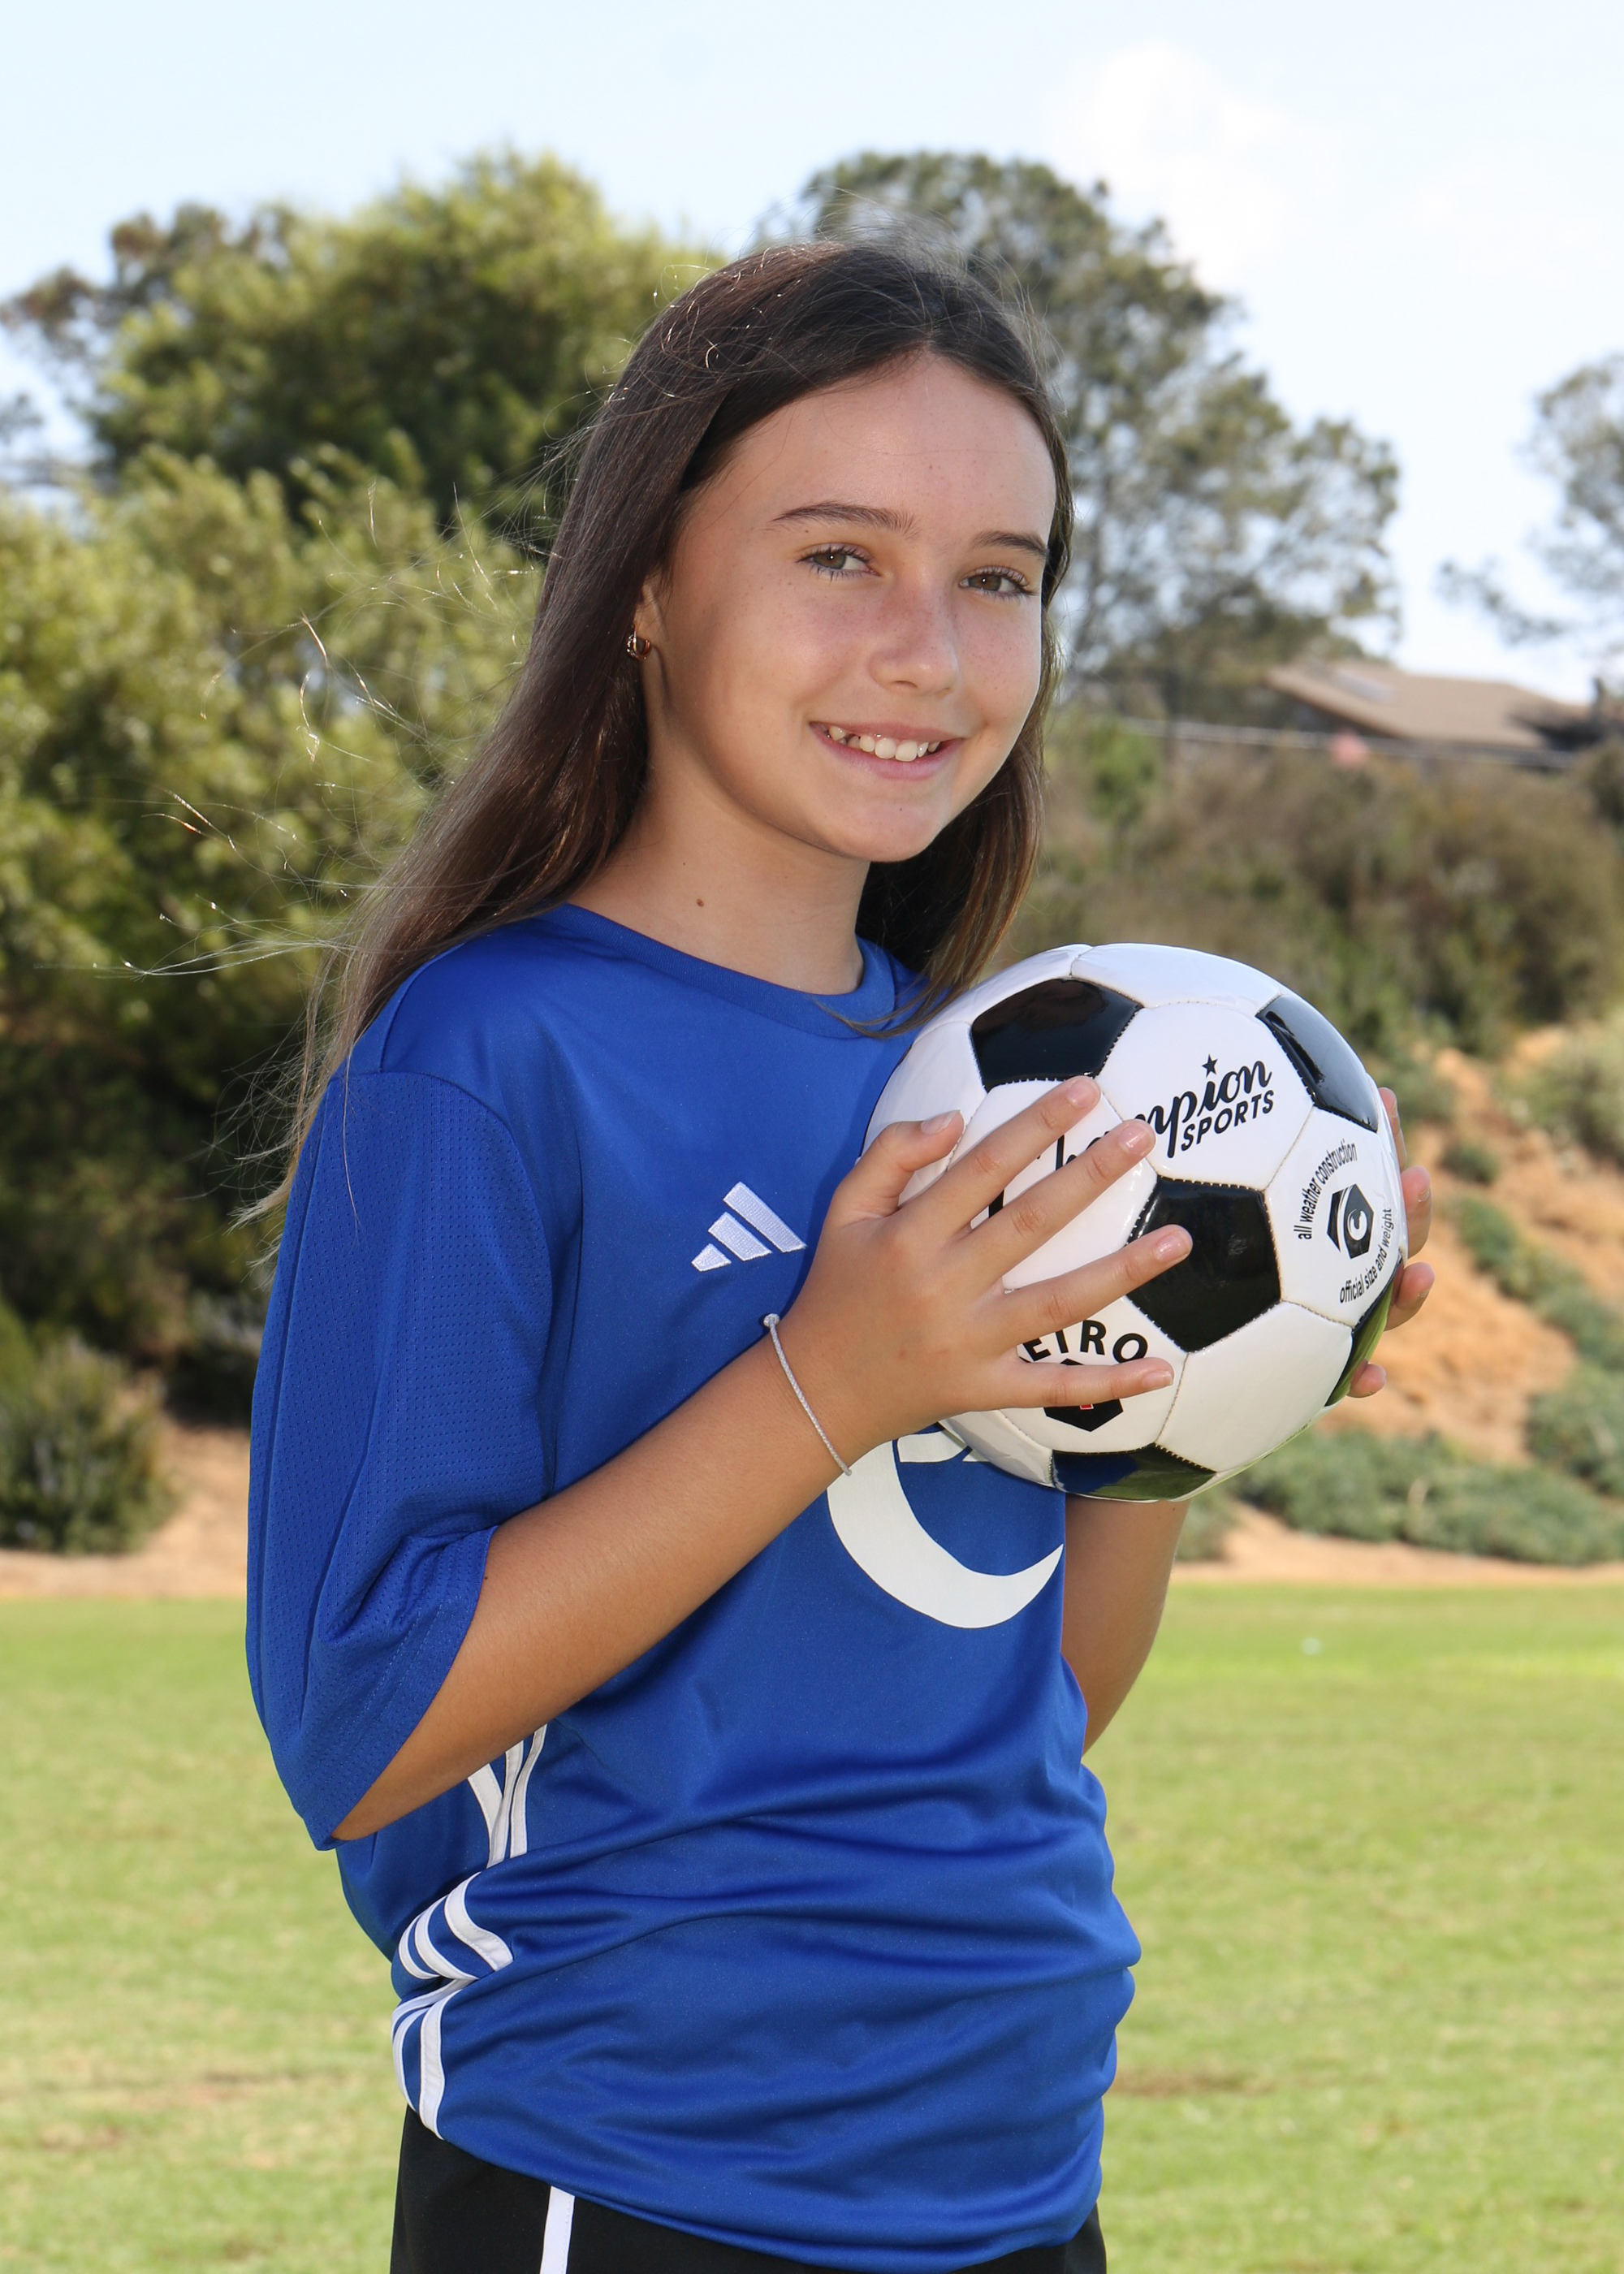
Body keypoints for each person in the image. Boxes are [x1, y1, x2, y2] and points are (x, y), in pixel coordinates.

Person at [248, 240, 1433, 2274]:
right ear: (644, 581)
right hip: (637, 2167)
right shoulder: (491, 1058)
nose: (929, 650)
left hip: (1011, 2164)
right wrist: (828, 1381)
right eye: (838, 556)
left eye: (999, 577)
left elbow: (1036, 1704)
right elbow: (359, 1723)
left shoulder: (989, 1075)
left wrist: (1186, 1379)